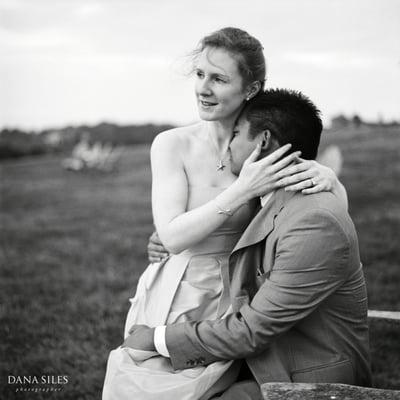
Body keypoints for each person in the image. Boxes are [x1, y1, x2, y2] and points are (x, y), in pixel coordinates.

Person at [103, 28, 346, 400]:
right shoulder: (172, 144)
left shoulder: (262, 137)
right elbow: (172, 236)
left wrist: (327, 176)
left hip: (242, 292)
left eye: (218, 78)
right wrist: (242, 190)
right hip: (182, 291)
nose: (203, 88)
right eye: (199, 74)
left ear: (250, 88)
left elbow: (326, 215)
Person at [126, 89, 372, 399]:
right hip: (258, 359)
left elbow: (251, 331)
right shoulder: (268, 201)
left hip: (306, 382)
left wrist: (156, 338)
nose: (226, 145)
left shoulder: (314, 220)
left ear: (263, 141)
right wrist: (168, 235)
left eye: (236, 133)